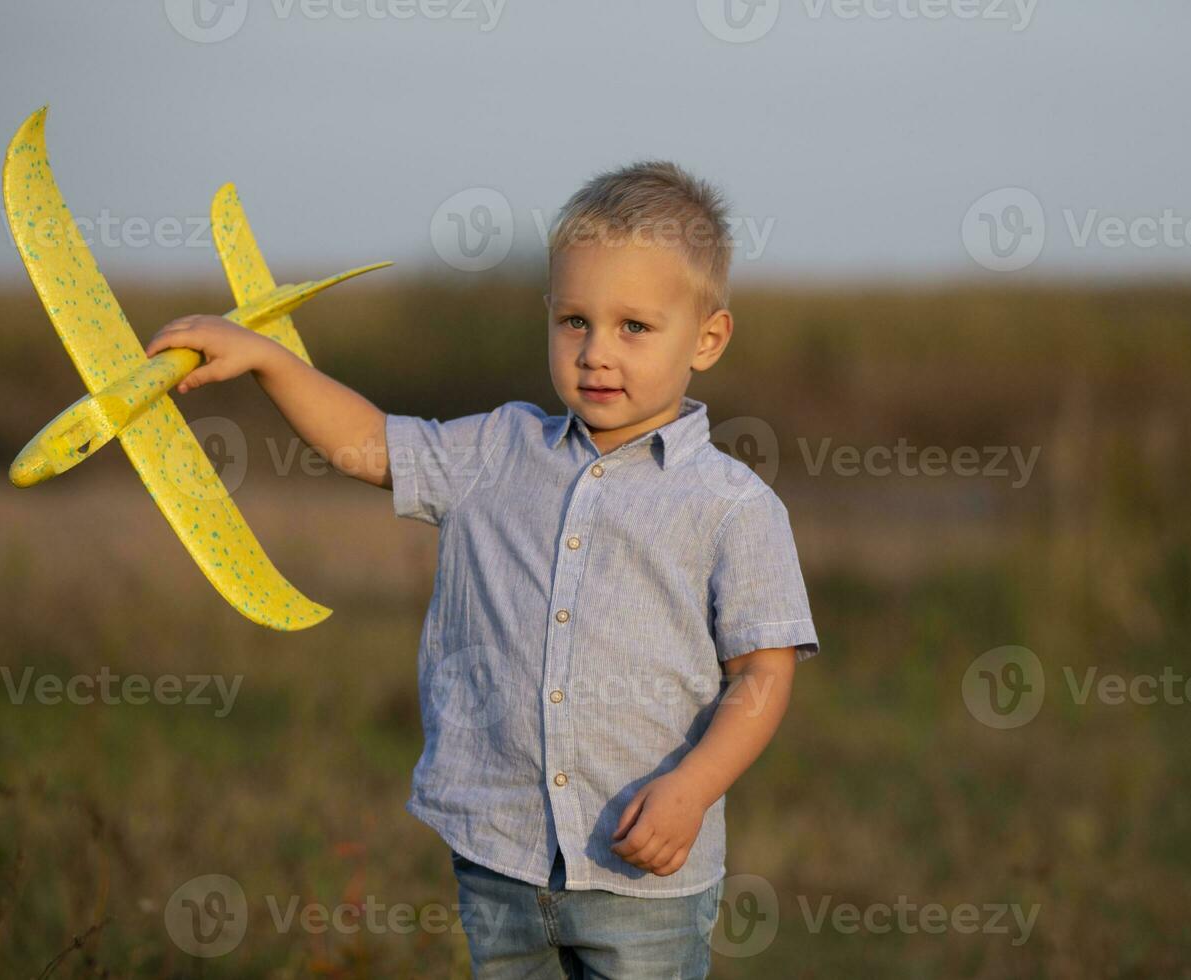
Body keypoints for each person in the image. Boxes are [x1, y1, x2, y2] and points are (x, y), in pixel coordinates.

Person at [144, 160, 821, 978]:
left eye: (635, 328)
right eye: (575, 321)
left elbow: (762, 678)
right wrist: (265, 360)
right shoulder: (496, 449)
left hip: (642, 872)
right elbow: (372, 446)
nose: (597, 353)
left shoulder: (732, 506)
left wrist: (693, 790)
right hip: (501, 855)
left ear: (706, 338)